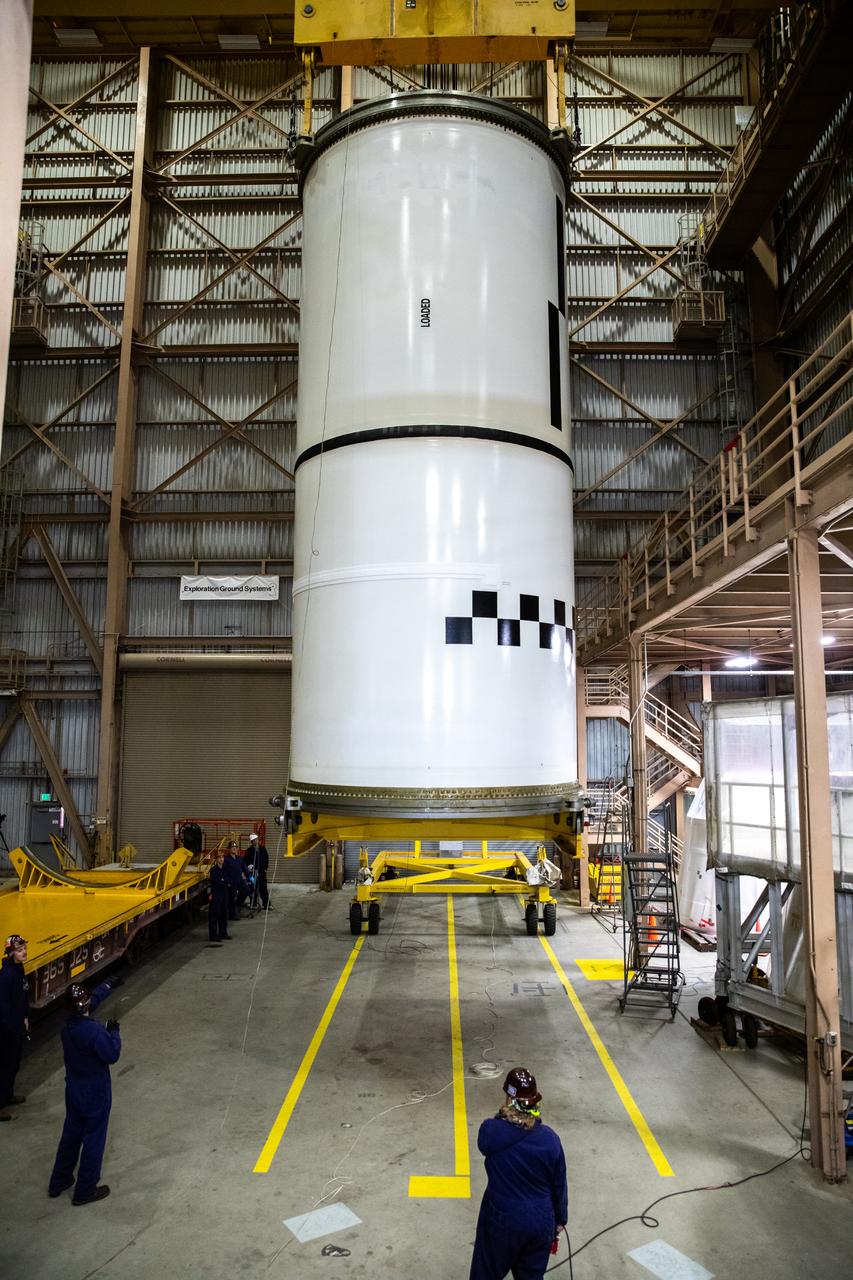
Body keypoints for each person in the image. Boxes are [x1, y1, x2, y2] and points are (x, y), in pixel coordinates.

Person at [470, 1068, 568, 1280]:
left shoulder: (490, 1131)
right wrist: (560, 1219)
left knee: (486, 1273)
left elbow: (486, 1143)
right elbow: (559, 1184)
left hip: (502, 1217)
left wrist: (503, 1117)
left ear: (508, 1098)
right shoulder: (550, 1140)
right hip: (540, 1220)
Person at [48, 981, 121, 1205]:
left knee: (71, 1135)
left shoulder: (68, 1027)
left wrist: (105, 987)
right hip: (95, 1092)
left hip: (74, 1089)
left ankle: (59, 1181)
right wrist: (114, 1033)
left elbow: (86, 1007)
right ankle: (85, 1190)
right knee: (94, 1140)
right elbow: (111, 1055)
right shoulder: (94, 1032)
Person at [0, 934, 29, 1121]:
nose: (24, 952)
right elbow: (4, 1007)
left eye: (24, 948)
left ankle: (8, 1095)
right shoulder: (6, 976)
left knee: (14, 1064)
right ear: (11, 954)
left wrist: (25, 1016)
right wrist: (11, 1028)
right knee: (4, 1066)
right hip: (7, 1030)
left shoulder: (19, 969)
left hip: (17, 1024)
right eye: (19, 950)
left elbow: (22, 996)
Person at [208, 848, 231, 944]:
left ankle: (223, 933)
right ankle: (213, 936)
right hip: (217, 894)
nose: (221, 859)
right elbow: (217, 882)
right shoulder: (213, 870)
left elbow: (229, 879)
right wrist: (224, 881)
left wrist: (224, 880)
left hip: (225, 893)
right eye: (219, 857)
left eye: (222, 857)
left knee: (223, 914)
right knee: (214, 915)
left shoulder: (226, 868)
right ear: (216, 859)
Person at [245, 832, 271, 910]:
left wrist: (265, 868)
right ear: (251, 842)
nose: (255, 841)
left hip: (262, 873)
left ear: (258, 840)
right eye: (253, 840)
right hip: (253, 874)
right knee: (253, 888)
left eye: (256, 839)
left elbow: (266, 858)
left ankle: (267, 905)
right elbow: (246, 861)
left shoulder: (263, 849)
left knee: (263, 888)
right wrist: (249, 867)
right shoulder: (249, 851)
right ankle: (254, 904)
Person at [223, 842, 248, 920]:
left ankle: (237, 905)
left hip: (239, 880)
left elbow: (245, 868)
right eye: (232, 847)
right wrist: (227, 881)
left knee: (246, 891)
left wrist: (251, 877)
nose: (234, 848)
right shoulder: (226, 859)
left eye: (236, 847)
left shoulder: (239, 858)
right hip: (231, 881)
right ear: (228, 849)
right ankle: (232, 915)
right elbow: (224, 871)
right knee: (231, 898)